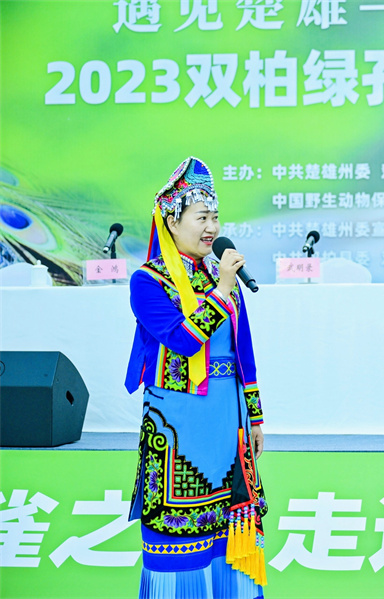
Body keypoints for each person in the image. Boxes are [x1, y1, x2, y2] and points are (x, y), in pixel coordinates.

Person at [124, 157, 267, 598]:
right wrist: (222, 290)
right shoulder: (148, 281)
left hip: (227, 418)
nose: (212, 227)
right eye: (201, 217)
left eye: (215, 217)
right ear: (172, 221)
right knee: (178, 539)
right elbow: (183, 341)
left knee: (232, 531)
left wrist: (255, 417)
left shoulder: (220, 275)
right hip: (179, 424)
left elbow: (243, 353)